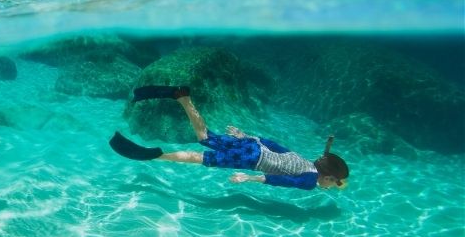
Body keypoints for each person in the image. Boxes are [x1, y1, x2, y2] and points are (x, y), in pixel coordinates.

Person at [109, 86, 349, 191]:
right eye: (335, 183)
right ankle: (156, 155)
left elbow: (276, 146)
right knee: (201, 158)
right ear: (327, 176)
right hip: (252, 159)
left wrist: (246, 136)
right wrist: (249, 178)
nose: (332, 186)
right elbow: (282, 181)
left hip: (252, 146)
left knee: (204, 137)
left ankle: (181, 96)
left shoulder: (304, 160)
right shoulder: (309, 181)